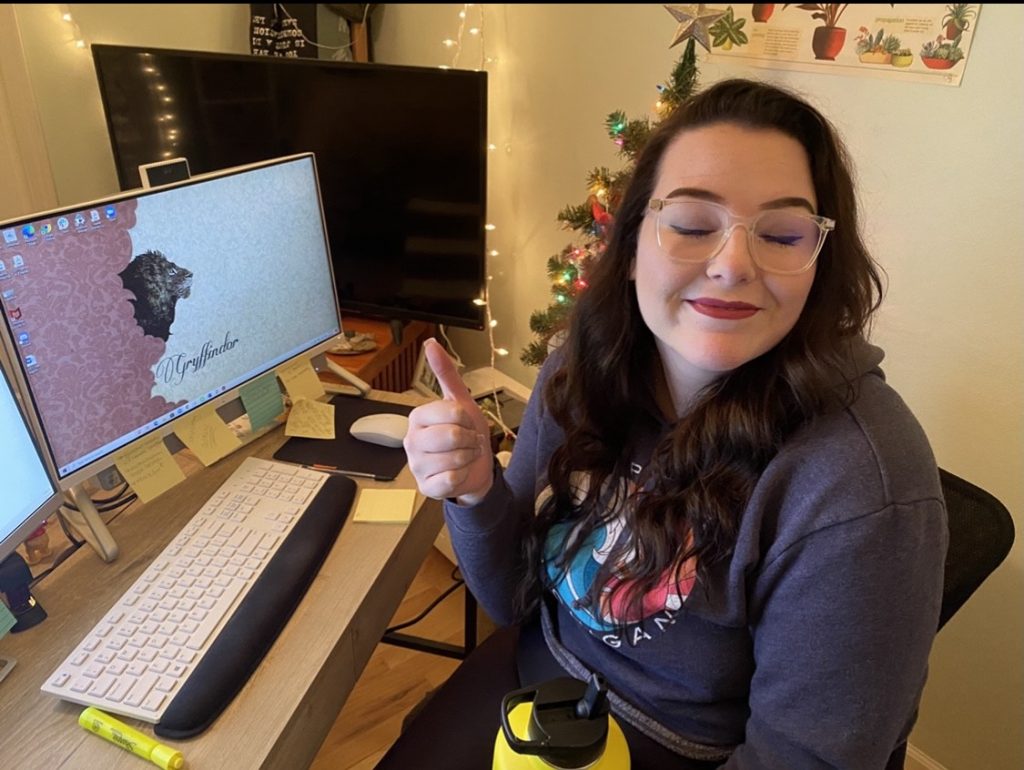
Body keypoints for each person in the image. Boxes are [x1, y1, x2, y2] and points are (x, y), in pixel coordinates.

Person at [382, 78, 948, 769]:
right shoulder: (578, 373)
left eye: (782, 233)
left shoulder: (858, 481)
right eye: (690, 224)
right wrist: (476, 493)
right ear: (632, 241)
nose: (734, 264)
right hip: (546, 684)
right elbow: (512, 599)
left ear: (819, 259)